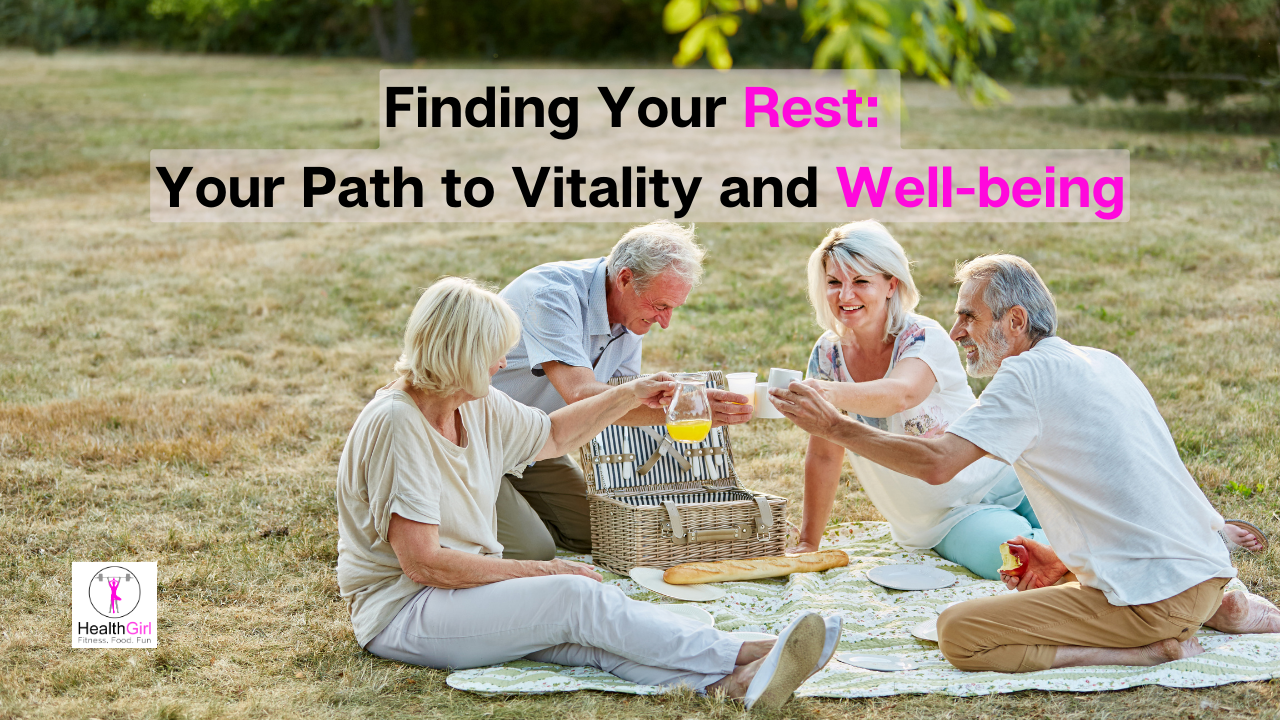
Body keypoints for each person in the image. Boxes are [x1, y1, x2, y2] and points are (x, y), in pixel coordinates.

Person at [335, 277, 839, 710]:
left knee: (589, 638)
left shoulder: (476, 404)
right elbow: (423, 564)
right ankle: (744, 652)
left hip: (460, 594)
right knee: (573, 597)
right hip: (405, 611)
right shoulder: (398, 425)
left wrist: (628, 395)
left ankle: (733, 685)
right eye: (494, 351)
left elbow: (553, 436)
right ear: (460, 352)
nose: (502, 363)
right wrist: (543, 571)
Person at [770, 254, 1280, 673]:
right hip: (1207, 572)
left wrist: (834, 425)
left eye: (969, 316)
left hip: (1153, 602)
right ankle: (1208, 610)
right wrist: (1062, 562)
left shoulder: (1024, 377)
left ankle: (1144, 650)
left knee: (959, 632)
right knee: (1056, 577)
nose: (957, 330)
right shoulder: (1102, 360)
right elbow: (1127, 486)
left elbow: (936, 463)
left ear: (1015, 321)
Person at [790, 221, 1042, 580]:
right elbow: (825, 453)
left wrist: (826, 394)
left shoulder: (922, 336)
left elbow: (901, 393)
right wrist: (807, 544)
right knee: (1013, 558)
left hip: (1005, 477)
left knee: (1088, 519)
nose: (845, 296)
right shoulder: (828, 356)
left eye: (861, 282)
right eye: (834, 282)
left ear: (892, 284)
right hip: (944, 517)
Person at [491, 221, 752, 560]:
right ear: (625, 278)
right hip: (475, 437)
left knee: (601, 531)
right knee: (532, 549)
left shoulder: (631, 317)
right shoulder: (552, 295)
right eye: (660, 306)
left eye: (673, 307)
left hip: (535, 440)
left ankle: (505, 501)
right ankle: (465, 505)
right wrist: (678, 408)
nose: (665, 321)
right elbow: (582, 394)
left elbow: (618, 406)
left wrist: (697, 412)